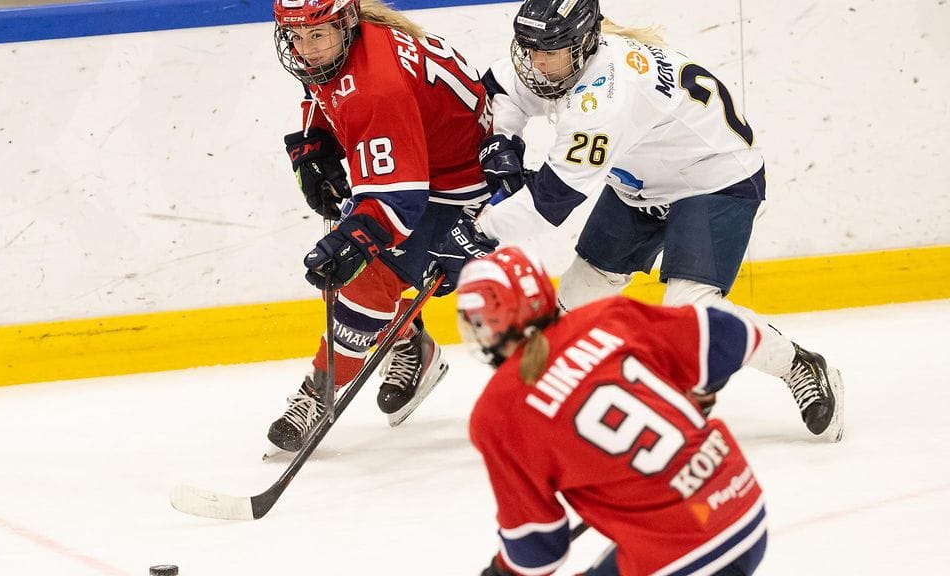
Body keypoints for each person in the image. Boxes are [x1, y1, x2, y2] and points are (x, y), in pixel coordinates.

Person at [471, 0, 843, 441]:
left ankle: (797, 364)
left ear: (584, 43)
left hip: (713, 180)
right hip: (642, 183)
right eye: (529, 50)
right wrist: (503, 144)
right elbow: (498, 87)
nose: (536, 63)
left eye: (547, 53)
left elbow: (552, 201)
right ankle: (556, 402)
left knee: (691, 314)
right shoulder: (564, 57)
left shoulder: (603, 97)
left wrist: (480, 231)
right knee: (575, 297)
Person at [268, 0, 495, 452]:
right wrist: (316, 144)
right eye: (295, 36)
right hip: (423, 167)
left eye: (317, 35)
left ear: (345, 22)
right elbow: (328, 90)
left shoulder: (377, 86)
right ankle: (411, 344)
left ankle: (320, 391)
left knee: (361, 273)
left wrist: (349, 242)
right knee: (353, 258)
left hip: (458, 189)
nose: (305, 50)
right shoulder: (348, 45)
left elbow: (400, 204)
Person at [458, 247, 768, 576]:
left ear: (491, 322)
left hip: (681, 555)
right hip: (741, 505)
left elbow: (538, 551)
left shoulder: (500, 410)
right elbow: (737, 336)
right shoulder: (608, 317)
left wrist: (501, 572)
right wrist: (699, 396)